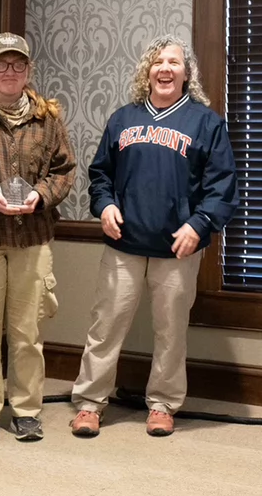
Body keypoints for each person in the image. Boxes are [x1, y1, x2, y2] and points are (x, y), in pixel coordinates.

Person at [70, 35, 238, 438]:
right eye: (158, 61)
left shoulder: (206, 123)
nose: (165, 68)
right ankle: (90, 403)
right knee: (105, 326)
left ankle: (162, 404)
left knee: (171, 331)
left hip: (177, 248)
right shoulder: (123, 119)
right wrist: (105, 205)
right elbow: (100, 175)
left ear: (187, 73)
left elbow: (222, 185)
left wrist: (199, 225)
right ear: (147, 72)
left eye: (174, 62)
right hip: (123, 244)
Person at [0, 32, 76, 447]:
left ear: (28, 71)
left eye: (18, 65)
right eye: (1, 64)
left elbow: (65, 171)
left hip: (33, 238)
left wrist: (41, 195)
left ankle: (26, 410)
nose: (10, 72)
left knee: (27, 331)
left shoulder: (48, 119)